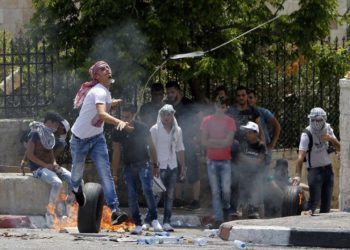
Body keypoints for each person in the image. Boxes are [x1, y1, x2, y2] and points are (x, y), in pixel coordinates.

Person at [70, 60, 130, 225]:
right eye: (103, 69)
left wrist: (115, 102)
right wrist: (120, 123)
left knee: (106, 174)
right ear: (96, 76)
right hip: (79, 140)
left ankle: (115, 210)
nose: (107, 70)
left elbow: (105, 103)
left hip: (97, 139)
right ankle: (76, 188)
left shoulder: (105, 92)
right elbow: (102, 114)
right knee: (76, 175)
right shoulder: (98, 91)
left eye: (108, 67)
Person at [111, 104, 163, 234]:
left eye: (127, 117)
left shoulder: (142, 128)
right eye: (122, 116)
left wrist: (155, 165)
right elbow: (116, 152)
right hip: (128, 166)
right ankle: (138, 223)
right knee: (131, 195)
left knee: (147, 190)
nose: (124, 119)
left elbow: (151, 146)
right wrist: (115, 174)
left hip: (143, 164)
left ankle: (154, 219)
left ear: (133, 115)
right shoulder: (118, 129)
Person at [25, 112, 73, 225]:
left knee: (75, 180)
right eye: (56, 124)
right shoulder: (35, 134)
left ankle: (68, 211)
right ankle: (49, 213)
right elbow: (30, 155)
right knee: (57, 183)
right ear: (50, 122)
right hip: (38, 169)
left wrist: (55, 164)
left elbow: (51, 155)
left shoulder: (49, 135)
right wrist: (46, 165)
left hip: (49, 167)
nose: (57, 127)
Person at [293, 107, 340, 215]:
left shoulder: (328, 129)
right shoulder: (306, 134)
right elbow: (300, 156)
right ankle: (302, 221)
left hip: (328, 170)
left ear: (324, 119)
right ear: (310, 120)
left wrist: (331, 139)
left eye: (319, 120)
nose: (316, 123)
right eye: (313, 120)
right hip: (314, 171)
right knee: (313, 202)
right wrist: (297, 175)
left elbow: (340, 148)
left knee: (326, 204)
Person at [200, 96, 236, 229]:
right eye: (219, 105)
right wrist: (221, 142)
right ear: (215, 105)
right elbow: (204, 141)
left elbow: (229, 142)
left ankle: (226, 208)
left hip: (225, 161)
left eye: (224, 106)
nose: (221, 108)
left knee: (226, 191)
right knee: (215, 191)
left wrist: (213, 141)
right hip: (212, 161)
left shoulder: (230, 121)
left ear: (226, 108)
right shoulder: (206, 121)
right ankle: (219, 219)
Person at [165, 81, 201, 210]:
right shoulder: (168, 106)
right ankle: (178, 199)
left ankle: (196, 200)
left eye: (172, 92)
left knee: (193, 170)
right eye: (168, 92)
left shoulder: (188, 103)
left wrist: (196, 137)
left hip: (189, 141)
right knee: (177, 169)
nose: (170, 95)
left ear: (179, 92)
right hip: (174, 143)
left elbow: (199, 120)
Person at [150, 104, 185, 232]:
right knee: (156, 195)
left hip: (173, 165)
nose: (166, 117)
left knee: (170, 196)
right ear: (160, 116)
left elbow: (180, 148)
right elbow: (151, 148)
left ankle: (166, 222)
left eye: (169, 114)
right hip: (159, 166)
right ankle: (150, 220)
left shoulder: (178, 130)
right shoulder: (155, 129)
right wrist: (153, 165)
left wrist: (183, 166)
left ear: (172, 116)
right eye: (164, 114)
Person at [237, 121, 267, 219]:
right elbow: (240, 157)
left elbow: (259, 161)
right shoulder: (244, 144)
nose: (247, 134)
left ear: (255, 133)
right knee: (244, 201)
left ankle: (263, 222)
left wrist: (247, 159)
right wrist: (252, 160)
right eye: (247, 132)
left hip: (257, 177)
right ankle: (242, 222)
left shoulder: (261, 146)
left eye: (249, 132)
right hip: (245, 176)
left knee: (259, 201)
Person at [247, 89, 281, 167]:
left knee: (263, 176)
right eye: (247, 98)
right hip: (249, 152)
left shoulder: (263, 112)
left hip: (264, 150)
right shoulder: (242, 114)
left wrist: (272, 144)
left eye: (251, 97)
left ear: (256, 99)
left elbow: (277, 126)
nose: (249, 100)